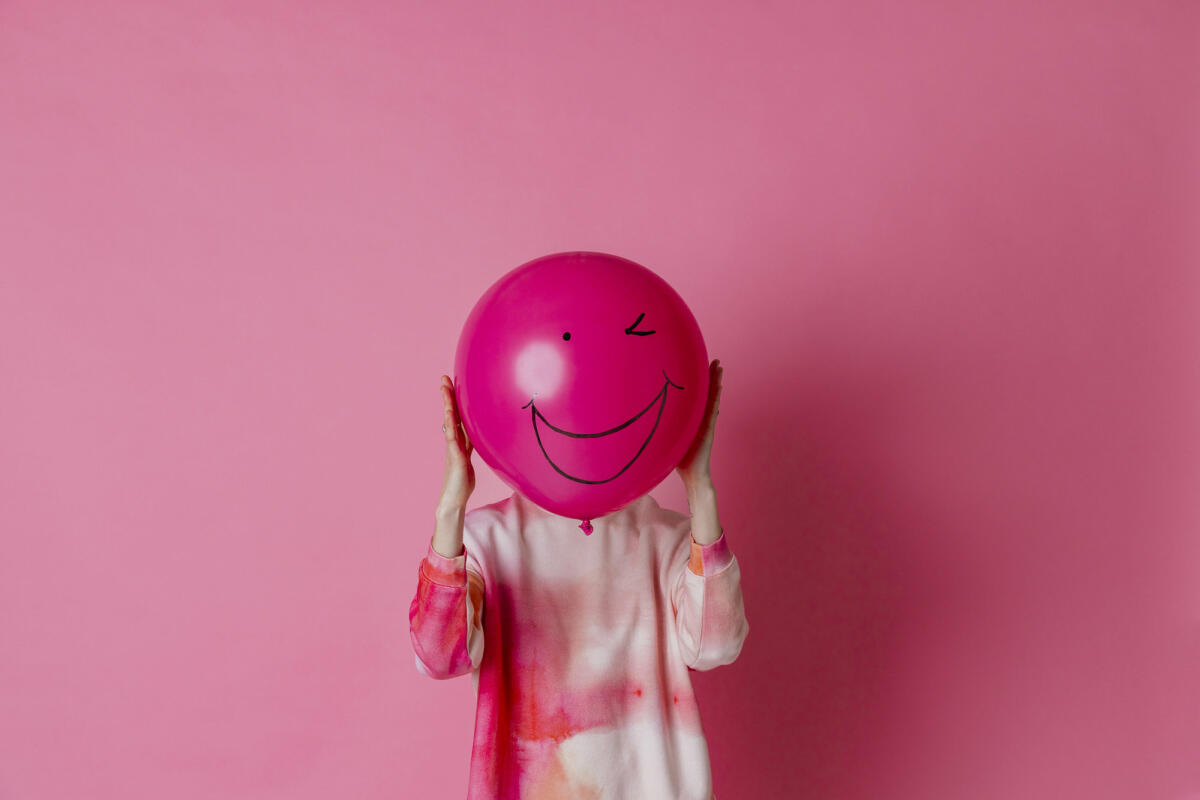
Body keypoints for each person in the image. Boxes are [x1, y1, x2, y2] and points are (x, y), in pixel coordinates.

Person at [409, 359, 748, 799]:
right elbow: (438, 658)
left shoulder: (671, 538)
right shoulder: (483, 540)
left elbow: (715, 646)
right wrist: (450, 505)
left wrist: (701, 488)